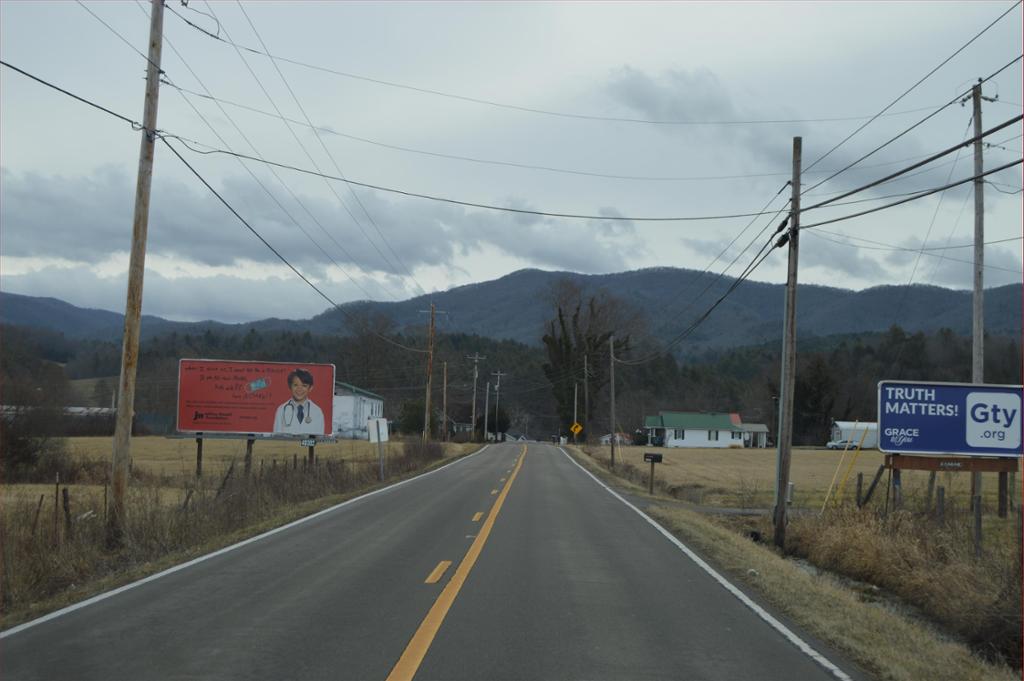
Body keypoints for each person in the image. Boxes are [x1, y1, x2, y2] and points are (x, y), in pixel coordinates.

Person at [273, 368, 325, 435]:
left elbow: (319, 437)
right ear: (290, 386)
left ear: (310, 388)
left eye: (304, 385)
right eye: (295, 385)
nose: (299, 389)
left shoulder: (317, 411)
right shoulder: (281, 410)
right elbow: (276, 437)